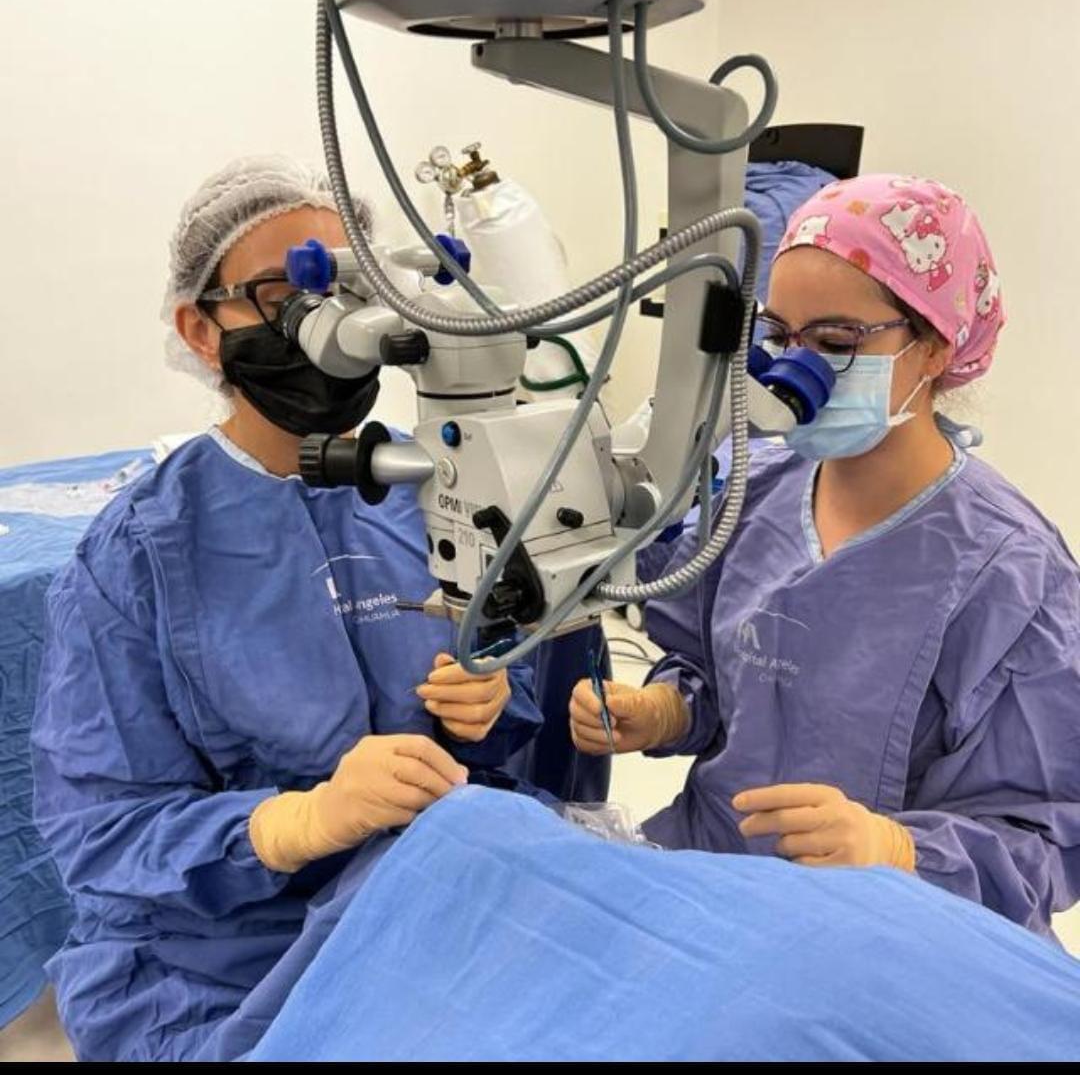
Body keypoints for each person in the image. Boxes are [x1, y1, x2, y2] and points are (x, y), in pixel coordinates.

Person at [31, 156, 544, 1061]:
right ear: (201, 328)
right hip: (228, 957)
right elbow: (102, 829)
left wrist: (494, 697)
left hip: (433, 892)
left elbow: (516, 692)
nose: (332, 322)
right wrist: (293, 824)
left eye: (352, 287)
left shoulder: (437, 487)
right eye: (285, 292)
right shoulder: (138, 557)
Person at [570, 173, 1080, 937]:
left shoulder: (1013, 576)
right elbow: (713, 671)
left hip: (892, 933)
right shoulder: (752, 490)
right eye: (780, 337)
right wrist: (667, 710)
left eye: (837, 343)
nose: (793, 371)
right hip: (716, 881)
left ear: (934, 347)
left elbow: (1042, 835)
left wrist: (895, 850)